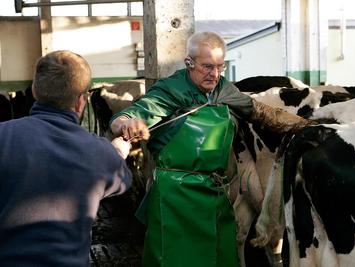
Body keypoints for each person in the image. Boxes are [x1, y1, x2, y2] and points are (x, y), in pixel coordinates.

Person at [110, 31, 311, 267]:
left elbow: (261, 113)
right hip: (176, 197)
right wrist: (127, 126)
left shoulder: (223, 90)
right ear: (189, 63)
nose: (214, 74)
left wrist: (309, 126)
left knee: (221, 259)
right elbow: (123, 119)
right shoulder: (169, 91)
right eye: (207, 66)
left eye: (219, 67)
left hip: (215, 193)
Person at [0, 50, 133, 267]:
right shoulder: (100, 152)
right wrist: (117, 152)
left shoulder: (3, 135)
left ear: (34, 91)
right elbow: (122, 183)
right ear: (81, 102)